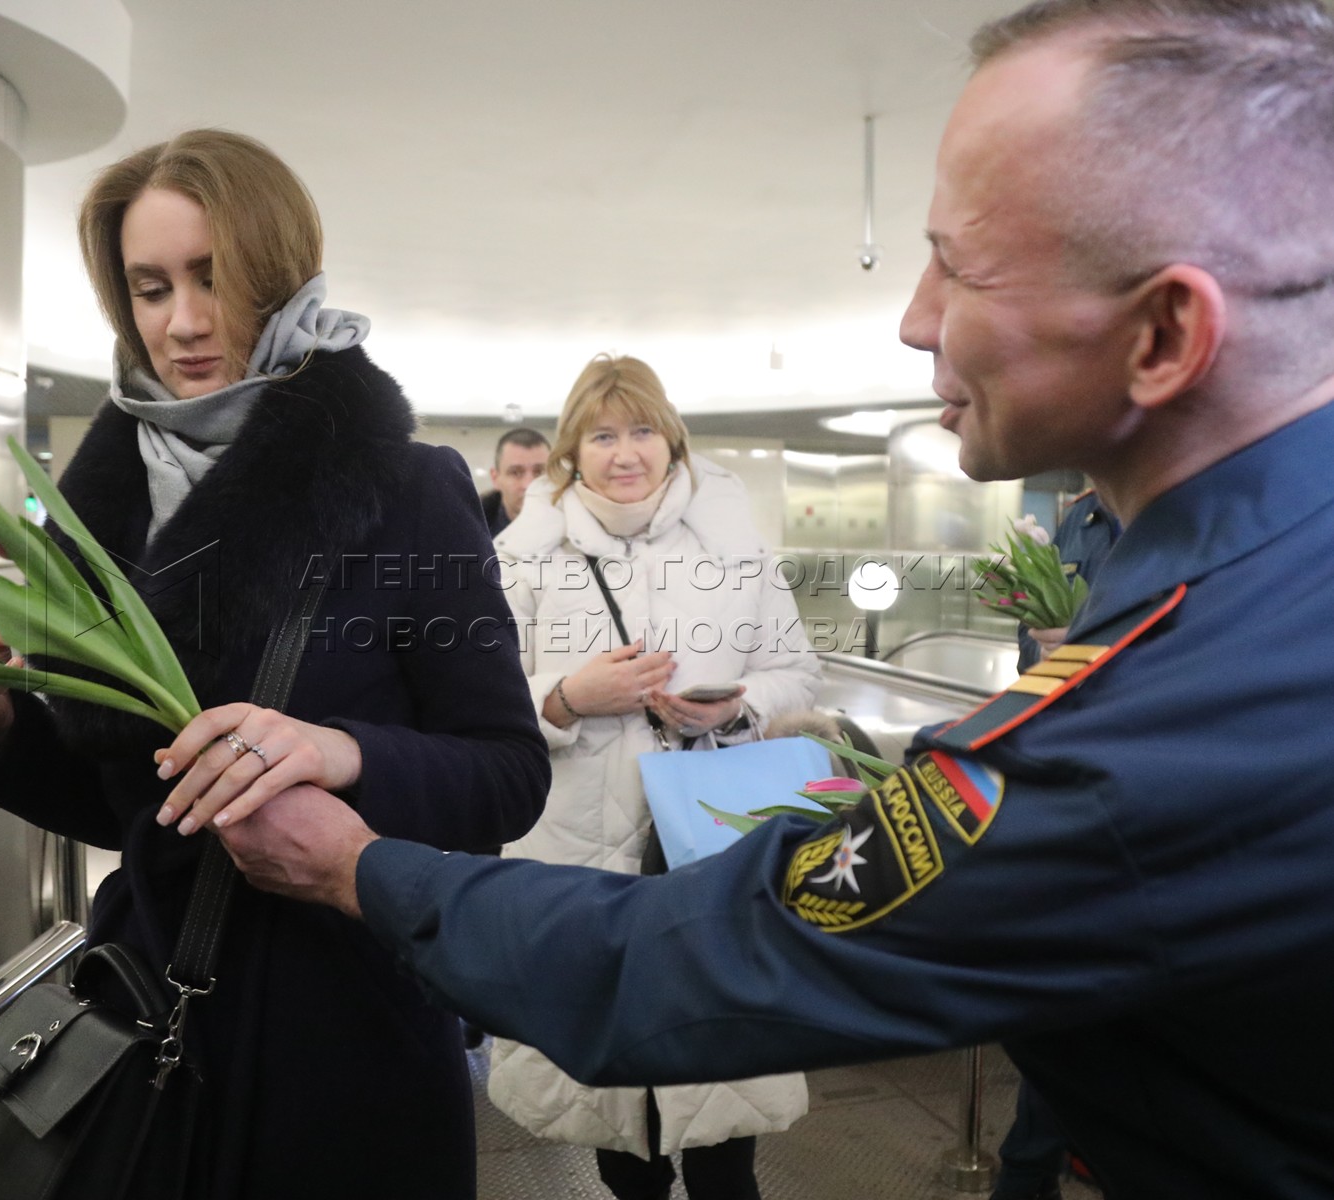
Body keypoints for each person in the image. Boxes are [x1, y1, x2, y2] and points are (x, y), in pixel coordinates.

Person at [208, 3, 1334, 1198]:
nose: (911, 319)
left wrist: (357, 867)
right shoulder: (1242, 588)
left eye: (960, 263)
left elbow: (718, 953)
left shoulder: (1175, 707)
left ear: (1163, 332)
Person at [0, 129, 549, 1199]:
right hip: (149, 1016)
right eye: (149, 288)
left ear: (281, 280)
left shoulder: (407, 489)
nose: (183, 322)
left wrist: (335, 752)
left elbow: (508, 774)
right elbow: (134, 812)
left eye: (214, 279)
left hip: (348, 1041)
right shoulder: (93, 520)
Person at [488, 354, 819, 1200]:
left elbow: (797, 672)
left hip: (708, 844)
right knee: (614, 1100)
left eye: (640, 431)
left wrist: (735, 706)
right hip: (577, 854)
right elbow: (481, 703)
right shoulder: (524, 557)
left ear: (671, 441)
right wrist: (565, 697)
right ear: (573, 451)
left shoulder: (735, 551)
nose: (624, 452)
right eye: (601, 435)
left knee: (722, 1102)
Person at [1000, 484, 1120, 1200]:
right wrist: (1053, 646)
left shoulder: (1200, 509)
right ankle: (1027, 1173)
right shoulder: (1080, 519)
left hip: (1164, 784)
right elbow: (1030, 652)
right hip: (1077, 774)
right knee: (1066, 998)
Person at [1015, 487, 1121, 674]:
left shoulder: (1180, 515)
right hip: (1068, 696)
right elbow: (1028, 632)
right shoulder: (1080, 516)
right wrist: (1043, 653)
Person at [480, 426, 550, 536]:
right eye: (515, 473)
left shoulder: (575, 530)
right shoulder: (469, 535)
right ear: (495, 478)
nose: (528, 485)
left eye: (539, 472)